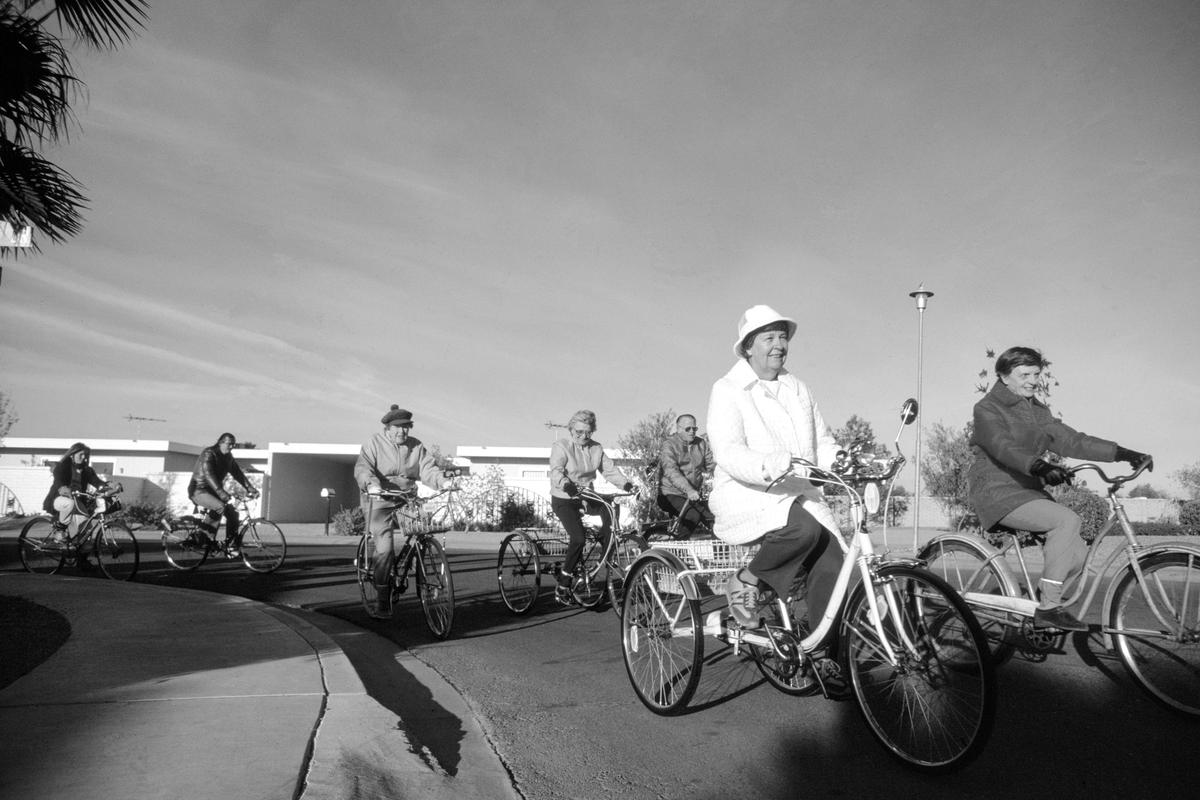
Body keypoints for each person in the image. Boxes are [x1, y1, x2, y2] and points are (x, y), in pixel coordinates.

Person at [968, 346, 1150, 631]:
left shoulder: (1038, 412)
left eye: (1036, 374)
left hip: (1028, 491)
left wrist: (1123, 453)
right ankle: (1050, 607)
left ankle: (1039, 603)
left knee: (1078, 558)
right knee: (1066, 520)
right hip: (996, 491)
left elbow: (1073, 441)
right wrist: (1039, 466)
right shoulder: (987, 408)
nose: (1032, 380)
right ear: (1004, 376)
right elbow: (1002, 446)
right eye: (1024, 374)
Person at [706, 304, 844, 634]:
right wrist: (769, 465)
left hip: (796, 490)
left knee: (833, 557)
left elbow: (821, 440)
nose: (779, 344)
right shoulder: (727, 389)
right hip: (748, 490)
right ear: (748, 347)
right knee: (803, 531)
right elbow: (728, 450)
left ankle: (820, 650)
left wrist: (839, 461)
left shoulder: (799, 389)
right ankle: (745, 580)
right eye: (769, 337)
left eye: (783, 337)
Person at [354, 405, 456, 615]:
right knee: (385, 547)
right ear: (388, 427)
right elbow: (363, 468)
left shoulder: (416, 446)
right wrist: (372, 485)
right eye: (398, 428)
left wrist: (443, 482)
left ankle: (417, 574)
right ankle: (383, 599)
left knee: (423, 529)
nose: (403, 432)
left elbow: (428, 469)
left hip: (406, 497)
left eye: (407, 427)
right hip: (379, 498)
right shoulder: (374, 443)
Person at [549, 409, 634, 604]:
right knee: (578, 538)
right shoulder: (561, 446)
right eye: (578, 431)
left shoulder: (596, 448)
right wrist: (566, 484)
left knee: (610, 507)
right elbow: (556, 471)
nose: (583, 436)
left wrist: (627, 484)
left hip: (585, 496)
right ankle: (563, 584)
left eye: (587, 432)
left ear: (592, 432)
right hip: (564, 496)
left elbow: (609, 470)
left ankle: (605, 551)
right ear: (571, 430)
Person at [42, 442, 111, 566]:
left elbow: (97, 482)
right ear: (72, 455)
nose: (84, 458)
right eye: (81, 455)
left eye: (86, 455)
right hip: (59, 500)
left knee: (86, 530)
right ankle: (59, 531)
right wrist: (63, 487)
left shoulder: (87, 470)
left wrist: (108, 486)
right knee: (69, 503)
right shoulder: (63, 466)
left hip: (78, 504)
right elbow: (58, 479)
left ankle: (82, 561)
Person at [187, 432, 256, 556]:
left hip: (214, 491)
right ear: (220, 442)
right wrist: (222, 493)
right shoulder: (209, 453)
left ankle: (230, 547)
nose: (231, 447)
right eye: (229, 444)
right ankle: (204, 538)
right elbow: (209, 475)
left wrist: (250, 488)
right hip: (198, 490)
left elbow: (237, 473)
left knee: (233, 514)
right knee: (220, 506)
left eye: (233, 445)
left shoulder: (228, 457)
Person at [656, 413, 715, 537]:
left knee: (714, 518)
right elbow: (671, 471)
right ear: (678, 429)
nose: (692, 432)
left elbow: (712, 465)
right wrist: (689, 490)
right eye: (688, 429)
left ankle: (721, 556)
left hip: (692, 495)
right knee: (693, 516)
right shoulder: (669, 445)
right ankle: (676, 549)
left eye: (694, 428)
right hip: (670, 494)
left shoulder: (701, 444)